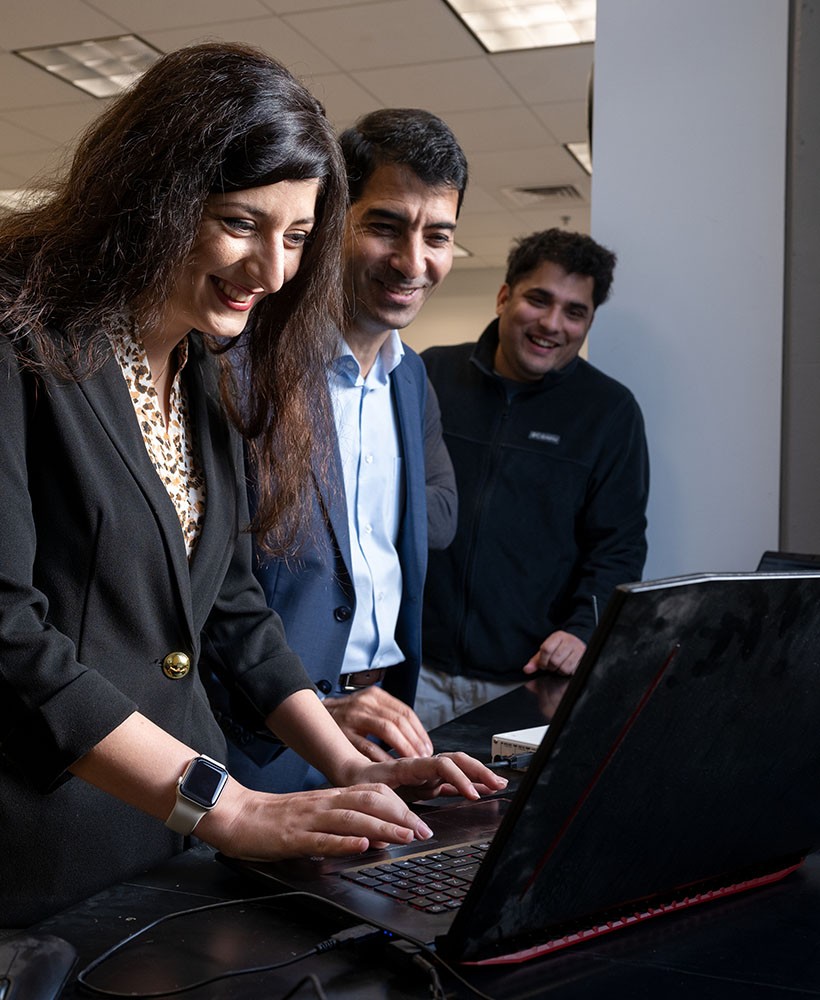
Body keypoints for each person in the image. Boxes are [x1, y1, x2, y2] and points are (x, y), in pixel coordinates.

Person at [0, 43, 505, 928]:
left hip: (174, 847)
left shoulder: (205, 364)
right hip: (45, 854)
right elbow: (10, 639)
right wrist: (233, 805)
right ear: (152, 195)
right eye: (241, 223)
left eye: (300, 236)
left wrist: (347, 764)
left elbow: (233, 604)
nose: (273, 272)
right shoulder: (23, 342)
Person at [212, 108, 468, 792]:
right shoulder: (240, 363)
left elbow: (431, 522)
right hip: (256, 741)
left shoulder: (411, 379)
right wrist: (311, 712)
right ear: (331, 223)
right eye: (385, 226)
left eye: (437, 236)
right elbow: (204, 593)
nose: (414, 262)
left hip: (387, 721)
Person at [417, 228, 649, 728]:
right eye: (538, 300)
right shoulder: (429, 374)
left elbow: (619, 546)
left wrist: (584, 630)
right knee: (389, 806)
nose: (552, 324)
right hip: (411, 673)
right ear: (504, 297)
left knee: (498, 809)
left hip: (526, 683)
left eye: (574, 311)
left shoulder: (609, 413)